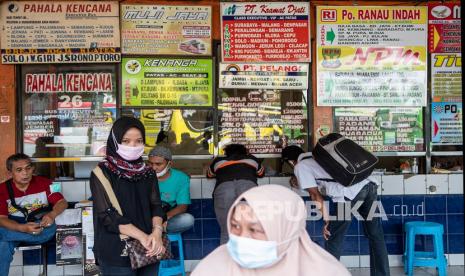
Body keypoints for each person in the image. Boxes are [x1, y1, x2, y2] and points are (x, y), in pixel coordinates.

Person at [192, 184, 350, 276]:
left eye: (254, 229)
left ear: (285, 230)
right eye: (235, 226)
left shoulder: (327, 272)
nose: (242, 238)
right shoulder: (211, 268)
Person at [281, 145, 390, 276]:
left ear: (291, 161)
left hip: (349, 194)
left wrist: (327, 219)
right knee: (375, 235)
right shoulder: (319, 158)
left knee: (333, 236)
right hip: (369, 185)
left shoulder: (301, 166)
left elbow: (315, 195)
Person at [90, 117, 166, 276]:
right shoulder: (101, 173)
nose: (133, 146)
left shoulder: (148, 172)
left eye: (139, 141)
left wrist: (157, 233)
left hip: (149, 249)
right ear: (115, 141)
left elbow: (156, 206)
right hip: (117, 251)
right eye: (126, 141)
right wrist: (144, 237)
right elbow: (108, 216)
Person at [0, 153, 68, 275]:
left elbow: (62, 202)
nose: (25, 173)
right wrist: (22, 228)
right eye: (19, 170)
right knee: (3, 245)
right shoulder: (1, 190)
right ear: (10, 173)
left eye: (28, 168)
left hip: (40, 228)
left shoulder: (48, 183)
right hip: (15, 226)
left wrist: (52, 215)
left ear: (33, 169)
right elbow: (2, 219)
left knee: (48, 229)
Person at [207, 144, 265, 244]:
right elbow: (261, 173)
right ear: (244, 152)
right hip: (248, 188)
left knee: (226, 230)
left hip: (224, 189)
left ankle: (226, 259)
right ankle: (251, 257)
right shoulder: (252, 159)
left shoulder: (219, 160)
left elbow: (209, 174)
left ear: (226, 152)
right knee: (252, 227)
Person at [148, 146, 194, 233]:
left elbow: (182, 207)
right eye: (150, 163)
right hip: (147, 219)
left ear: (170, 164)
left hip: (167, 218)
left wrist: (161, 220)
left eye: (158, 164)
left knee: (188, 219)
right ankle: (156, 230)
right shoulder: (144, 177)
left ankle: (155, 230)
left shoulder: (181, 178)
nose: (154, 168)